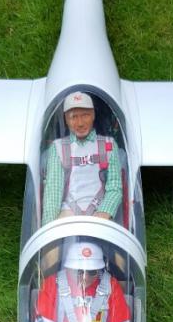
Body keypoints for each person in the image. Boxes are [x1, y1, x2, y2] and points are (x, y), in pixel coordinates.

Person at [41, 91, 123, 226]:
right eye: (73, 117)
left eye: (85, 115)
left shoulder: (108, 144)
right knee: (56, 239)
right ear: (66, 119)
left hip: (100, 210)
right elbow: (53, 192)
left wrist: (104, 212)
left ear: (93, 115)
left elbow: (115, 186)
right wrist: (48, 227)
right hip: (68, 211)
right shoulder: (58, 147)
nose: (80, 123)